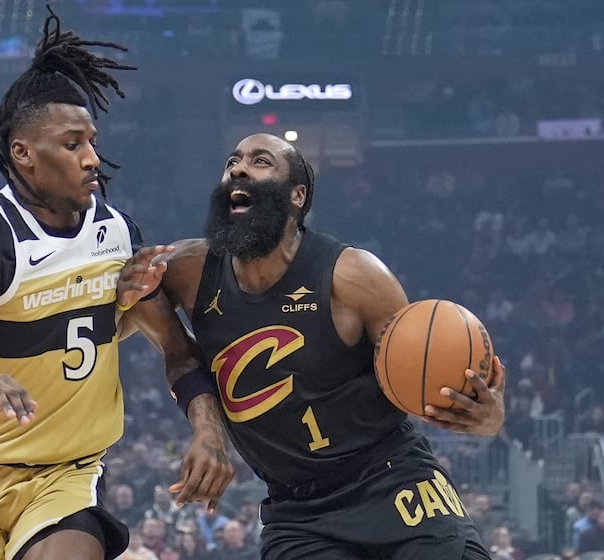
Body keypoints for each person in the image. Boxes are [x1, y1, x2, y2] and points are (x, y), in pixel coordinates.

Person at [0, 8, 231, 560]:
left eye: (91, 141)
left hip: (66, 478)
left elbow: (179, 353)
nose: (93, 157)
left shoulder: (118, 237)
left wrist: (209, 430)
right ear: (24, 153)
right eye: (72, 145)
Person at [158, 133, 507, 559]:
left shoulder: (354, 276)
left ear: (297, 197)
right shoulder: (185, 271)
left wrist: (487, 417)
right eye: (232, 160)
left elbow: (424, 380)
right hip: (297, 511)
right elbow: (165, 339)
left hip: (393, 480)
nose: (238, 168)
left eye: (260, 160)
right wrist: (207, 426)